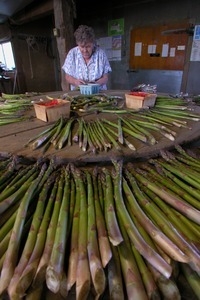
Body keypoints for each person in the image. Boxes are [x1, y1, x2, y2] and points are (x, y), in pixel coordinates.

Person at [62, 25, 112, 90]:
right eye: (82, 47)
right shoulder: (72, 54)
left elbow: (105, 77)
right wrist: (75, 82)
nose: (85, 50)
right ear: (78, 44)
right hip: (78, 94)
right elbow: (67, 76)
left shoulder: (101, 54)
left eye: (88, 46)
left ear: (93, 43)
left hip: (99, 94)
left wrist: (96, 84)